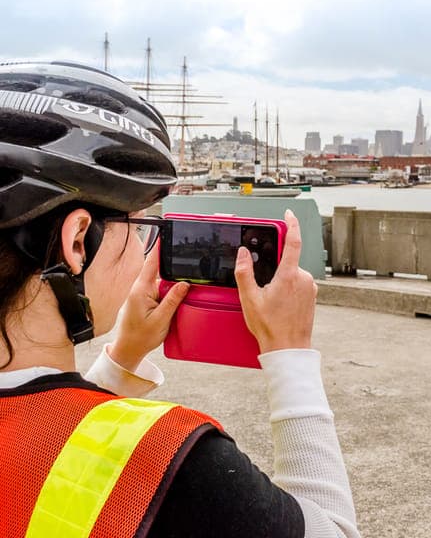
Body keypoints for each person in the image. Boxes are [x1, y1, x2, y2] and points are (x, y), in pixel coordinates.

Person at [0, 62, 360, 537]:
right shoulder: (170, 459)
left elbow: (44, 442)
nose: (147, 251)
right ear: (77, 241)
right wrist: (290, 352)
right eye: (143, 227)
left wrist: (122, 360)